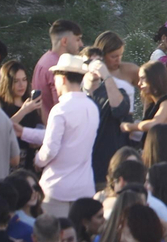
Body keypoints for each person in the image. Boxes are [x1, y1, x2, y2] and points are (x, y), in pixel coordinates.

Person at [35, 54, 98, 218]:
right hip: (84, 187)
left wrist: (37, 160)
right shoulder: (92, 107)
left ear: (62, 79)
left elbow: (50, 150)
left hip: (57, 187)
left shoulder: (60, 109)